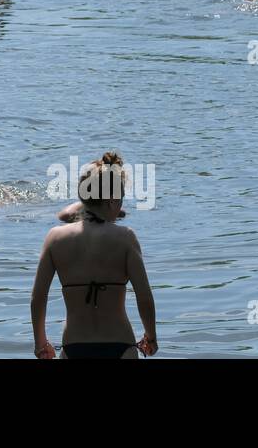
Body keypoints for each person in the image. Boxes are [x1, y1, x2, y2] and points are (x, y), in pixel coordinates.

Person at [31, 152, 158, 360]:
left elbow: (38, 298)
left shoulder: (55, 238)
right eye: (121, 199)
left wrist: (40, 343)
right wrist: (151, 336)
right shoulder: (126, 238)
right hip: (120, 345)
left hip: (74, 346)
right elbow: (144, 297)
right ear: (111, 201)